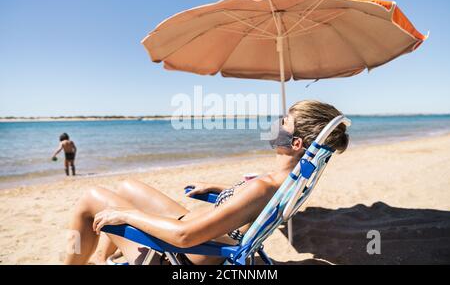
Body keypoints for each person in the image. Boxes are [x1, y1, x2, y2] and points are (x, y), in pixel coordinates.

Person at [64, 100, 349, 265]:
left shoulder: (264, 188)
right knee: (127, 186)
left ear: (296, 142)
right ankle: (100, 259)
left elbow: (184, 237)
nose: (276, 125)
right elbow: (246, 209)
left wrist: (129, 215)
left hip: (179, 256)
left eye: (283, 123)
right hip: (204, 233)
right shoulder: (284, 183)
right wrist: (221, 191)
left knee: (93, 197)